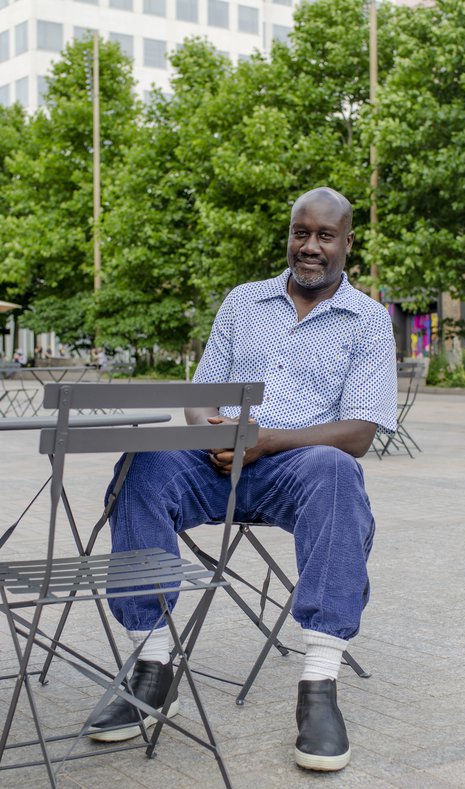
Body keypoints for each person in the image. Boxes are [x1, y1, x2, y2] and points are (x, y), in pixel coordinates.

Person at [89, 187, 397, 772]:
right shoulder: (243, 303)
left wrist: (268, 440)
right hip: (218, 463)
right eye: (299, 233)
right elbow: (202, 401)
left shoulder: (367, 322)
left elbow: (359, 433)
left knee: (338, 470)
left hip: (296, 464)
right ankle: (154, 669)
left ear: (346, 243)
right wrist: (218, 432)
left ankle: (319, 688)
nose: (309, 246)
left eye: (324, 236)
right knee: (143, 458)